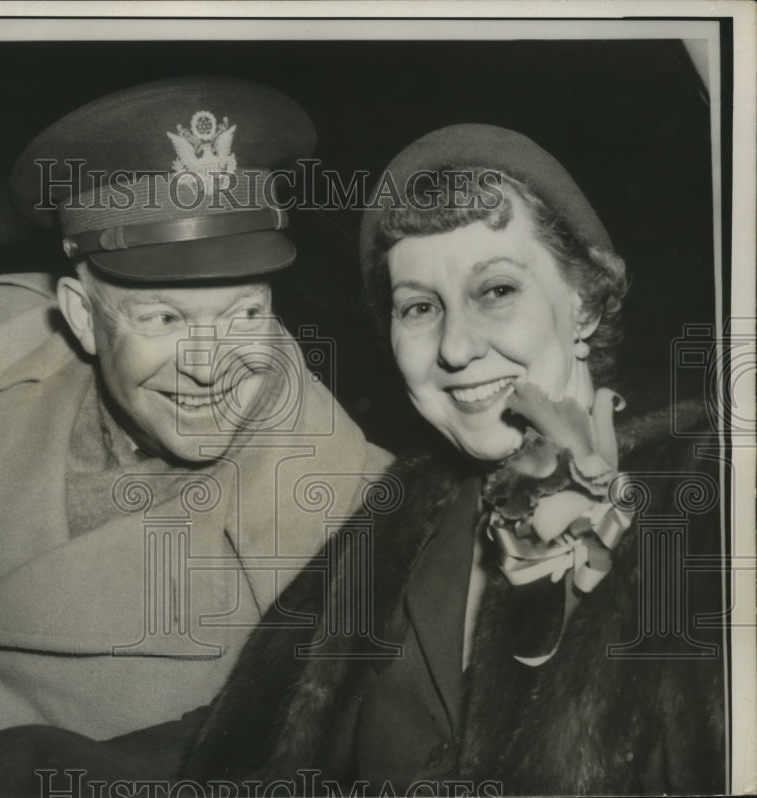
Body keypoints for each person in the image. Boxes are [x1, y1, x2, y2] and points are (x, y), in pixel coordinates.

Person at [0, 78, 391, 796]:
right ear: (81, 316)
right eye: (163, 319)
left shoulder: (357, 517)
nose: (212, 367)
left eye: (244, 314)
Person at [184, 124, 726, 795]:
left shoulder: (708, 499)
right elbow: (249, 749)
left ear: (582, 304)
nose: (455, 348)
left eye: (496, 291)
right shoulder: (398, 517)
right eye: (418, 307)